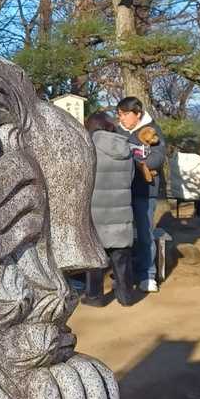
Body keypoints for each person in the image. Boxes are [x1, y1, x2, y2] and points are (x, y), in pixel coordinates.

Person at [80, 112, 146, 307]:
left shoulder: (88, 147)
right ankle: (126, 297)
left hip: (96, 211)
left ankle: (95, 297)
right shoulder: (126, 148)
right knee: (122, 257)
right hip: (121, 209)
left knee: (95, 257)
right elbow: (131, 177)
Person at [115, 96, 165, 294]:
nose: (121, 118)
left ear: (138, 114)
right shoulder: (117, 131)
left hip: (145, 191)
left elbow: (158, 158)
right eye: (119, 114)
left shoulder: (153, 129)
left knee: (145, 234)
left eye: (125, 114)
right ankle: (122, 276)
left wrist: (135, 163)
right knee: (120, 236)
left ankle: (148, 275)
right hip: (120, 191)